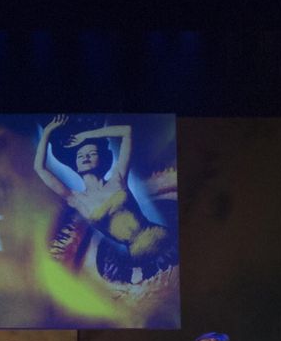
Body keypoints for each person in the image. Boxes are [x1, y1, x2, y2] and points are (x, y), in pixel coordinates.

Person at [33, 114, 177, 293]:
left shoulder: (117, 179)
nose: (85, 157)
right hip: (139, 257)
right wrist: (47, 131)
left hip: (164, 237)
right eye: (81, 156)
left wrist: (87, 136)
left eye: (91, 154)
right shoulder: (77, 200)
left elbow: (126, 131)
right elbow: (40, 168)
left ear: (100, 159)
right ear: (76, 165)